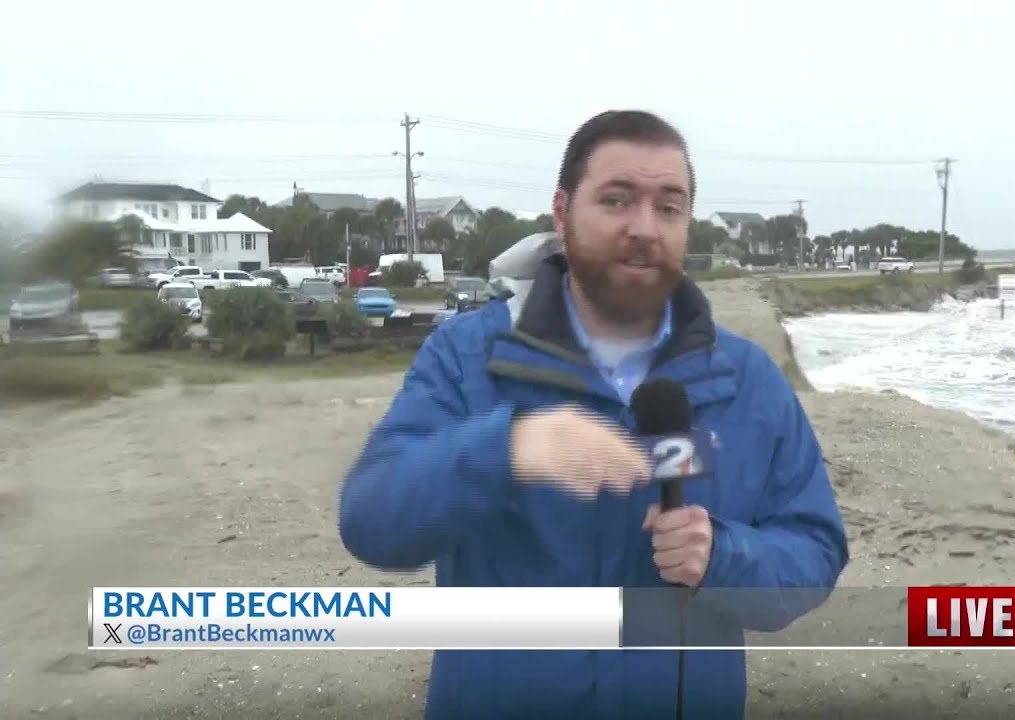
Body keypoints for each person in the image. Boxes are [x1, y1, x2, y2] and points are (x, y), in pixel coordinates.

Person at [339, 110, 849, 719]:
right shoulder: (470, 357)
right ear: (562, 211)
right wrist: (504, 451)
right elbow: (372, 521)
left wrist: (724, 555)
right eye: (616, 200)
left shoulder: (745, 379)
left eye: (669, 207)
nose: (644, 227)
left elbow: (815, 550)